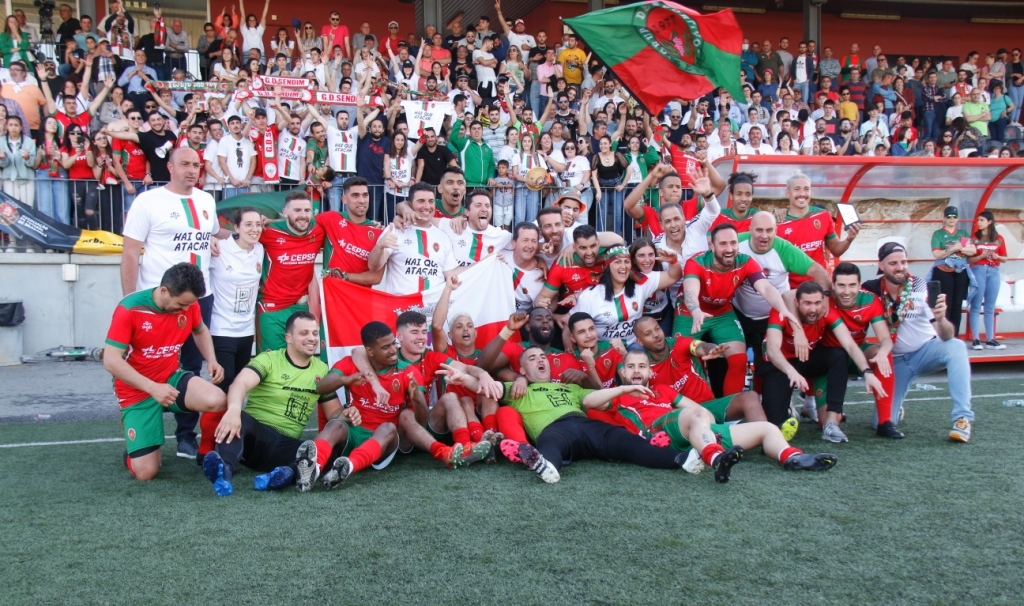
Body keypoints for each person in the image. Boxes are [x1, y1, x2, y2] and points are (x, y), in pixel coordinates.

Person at [120, 148, 227, 459]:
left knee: (191, 367)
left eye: (196, 165)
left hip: (198, 299)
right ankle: (142, 432)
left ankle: (185, 436)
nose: (192, 170)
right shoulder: (148, 201)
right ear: (169, 167)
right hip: (157, 302)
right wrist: (129, 301)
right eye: (185, 164)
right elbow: (130, 254)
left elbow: (212, 232)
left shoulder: (205, 200)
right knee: (147, 364)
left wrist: (244, 230)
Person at [606, 349, 837, 482]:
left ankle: (792, 457)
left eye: (642, 366)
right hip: (659, 431)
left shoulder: (663, 390)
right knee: (694, 414)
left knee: (767, 428)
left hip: (692, 430)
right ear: (623, 371)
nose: (637, 371)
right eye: (632, 367)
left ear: (650, 371)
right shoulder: (615, 397)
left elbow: (702, 411)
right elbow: (588, 401)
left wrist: (704, 426)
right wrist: (622, 389)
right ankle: (716, 459)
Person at [490, 346, 694, 484]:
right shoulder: (518, 389)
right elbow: (486, 386)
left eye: (543, 357)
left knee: (626, 442)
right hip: (553, 428)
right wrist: (476, 375)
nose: (540, 360)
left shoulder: (569, 387)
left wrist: (622, 389)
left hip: (584, 424)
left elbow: (596, 397)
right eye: (532, 358)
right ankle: (546, 465)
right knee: (551, 444)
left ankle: (683, 459)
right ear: (523, 370)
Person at [103, 263, 227, 481]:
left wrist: (212, 360)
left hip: (171, 377)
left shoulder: (189, 305)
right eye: (180, 305)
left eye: (189, 305)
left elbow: (200, 330)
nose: (186, 310)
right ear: (163, 291)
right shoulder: (129, 309)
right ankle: (135, 451)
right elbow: (111, 360)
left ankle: (205, 452)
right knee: (146, 473)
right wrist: (152, 388)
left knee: (217, 399)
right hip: (136, 391)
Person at [200, 312, 344, 495]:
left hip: (284, 446)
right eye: (304, 333)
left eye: (315, 333)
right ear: (288, 338)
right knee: (240, 417)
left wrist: (350, 412)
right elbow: (240, 383)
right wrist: (234, 410)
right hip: (254, 437)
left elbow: (334, 414)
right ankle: (224, 471)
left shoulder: (322, 370)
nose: (311, 338)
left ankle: (282, 476)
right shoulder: (269, 359)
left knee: (328, 453)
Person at [862, 243, 975, 442]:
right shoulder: (870, 289)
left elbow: (947, 335)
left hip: (925, 351)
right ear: (881, 265)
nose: (900, 267)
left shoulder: (921, 286)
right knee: (880, 422)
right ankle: (896, 408)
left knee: (956, 346)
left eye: (904, 262)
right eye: (893, 263)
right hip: (895, 362)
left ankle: (962, 418)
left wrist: (940, 318)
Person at [678, 223, 798, 396]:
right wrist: (695, 310)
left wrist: (782, 309)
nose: (729, 249)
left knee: (739, 359)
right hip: (689, 314)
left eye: (733, 243)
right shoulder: (696, 262)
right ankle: (691, 409)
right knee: (682, 357)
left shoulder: (745, 261)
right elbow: (690, 289)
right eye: (723, 244)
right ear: (711, 246)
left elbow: (765, 287)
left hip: (722, 313)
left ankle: (730, 412)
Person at [762, 281, 886, 442]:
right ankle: (787, 409)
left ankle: (832, 422)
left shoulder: (826, 312)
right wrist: (790, 370)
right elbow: (772, 349)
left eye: (817, 303)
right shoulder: (781, 312)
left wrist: (867, 372)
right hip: (780, 365)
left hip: (807, 358)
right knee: (775, 426)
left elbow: (849, 344)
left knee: (838, 354)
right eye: (807, 303)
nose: (813, 309)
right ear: (796, 303)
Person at [255, 191, 325, 352]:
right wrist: (213, 241)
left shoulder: (318, 231)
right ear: (285, 213)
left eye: (307, 211)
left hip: (301, 307)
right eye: (297, 211)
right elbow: (240, 235)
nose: (303, 215)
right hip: (271, 307)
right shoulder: (268, 231)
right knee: (272, 361)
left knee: (300, 359)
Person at [572, 245, 681, 346]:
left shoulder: (640, 283)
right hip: (603, 350)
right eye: (618, 262)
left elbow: (673, 277)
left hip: (634, 346)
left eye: (626, 261)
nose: (623, 266)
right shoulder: (590, 296)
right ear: (607, 266)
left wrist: (673, 261)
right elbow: (571, 324)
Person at [369, 182, 458, 295]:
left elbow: (451, 273)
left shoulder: (443, 236)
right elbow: (373, 266)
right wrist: (380, 246)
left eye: (431, 201)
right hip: (400, 309)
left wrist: (486, 262)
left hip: (433, 308)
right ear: (410, 205)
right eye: (421, 201)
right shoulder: (396, 229)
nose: (427, 206)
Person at [777, 171, 859, 288]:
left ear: (811, 192)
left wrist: (849, 239)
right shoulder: (778, 223)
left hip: (819, 286)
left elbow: (836, 249)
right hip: (791, 289)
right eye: (797, 189)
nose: (802, 194)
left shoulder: (823, 215)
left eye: (806, 189)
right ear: (787, 193)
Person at [929, 205, 976, 333]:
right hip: (943, 270)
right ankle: (944, 333)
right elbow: (937, 254)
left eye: (954, 216)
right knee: (946, 303)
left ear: (957, 219)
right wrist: (955, 248)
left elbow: (972, 250)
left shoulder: (963, 233)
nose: (951, 219)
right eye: (949, 216)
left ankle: (955, 335)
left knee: (957, 304)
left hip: (960, 270)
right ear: (944, 218)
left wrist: (959, 248)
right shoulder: (938, 234)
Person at [438, 189, 511, 267]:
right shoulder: (453, 226)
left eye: (487, 206)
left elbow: (522, 244)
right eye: (478, 205)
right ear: (467, 212)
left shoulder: (500, 235)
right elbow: (427, 220)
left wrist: (504, 260)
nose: (484, 209)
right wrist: (458, 218)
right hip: (457, 277)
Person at [968, 211, 1007, 350]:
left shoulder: (999, 238)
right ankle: (976, 339)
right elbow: (969, 259)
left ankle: (990, 339)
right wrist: (981, 256)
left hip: (994, 271)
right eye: (978, 220)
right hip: (979, 269)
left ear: (990, 221)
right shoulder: (974, 238)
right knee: (976, 305)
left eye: (982, 220)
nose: (978, 222)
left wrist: (996, 256)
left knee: (990, 306)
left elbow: (1005, 258)